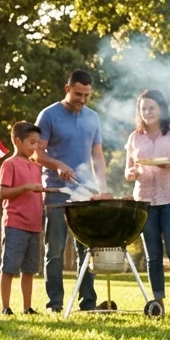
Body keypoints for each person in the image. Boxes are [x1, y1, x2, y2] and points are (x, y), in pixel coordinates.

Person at [35, 69, 110, 312]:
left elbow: (97, 156)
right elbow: (37, 153)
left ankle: (88, 302)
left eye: (87, 95)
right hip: (56, 191)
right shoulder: (48, 115)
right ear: (67, 89)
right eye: (78, 93)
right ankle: (54, 303)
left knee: (87, 249)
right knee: (55, 250)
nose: (83, 99)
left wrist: (103, 189)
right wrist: (58, 165)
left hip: (86, 191)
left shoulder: (93, 118)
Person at [125, 90, 170, 313]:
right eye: (143, 108)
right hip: (145, 201)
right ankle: (158, 303)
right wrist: (131, 174)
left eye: (151, 108)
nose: (147, 112)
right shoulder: (135, 137)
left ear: (161, 109)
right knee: (153, 256)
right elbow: (129, 169)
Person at [0, 122, 48, 315]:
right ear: (18, 141)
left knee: (29, 269)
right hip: (15, 224)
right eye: (31, 142)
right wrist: (27, 188)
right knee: (10, 267)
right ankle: (5, 307)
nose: (35, 147)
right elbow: (3, 192)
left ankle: (27, 307)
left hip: (34, 225)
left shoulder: (36, 166)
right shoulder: (9, 164)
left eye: (37, 142)